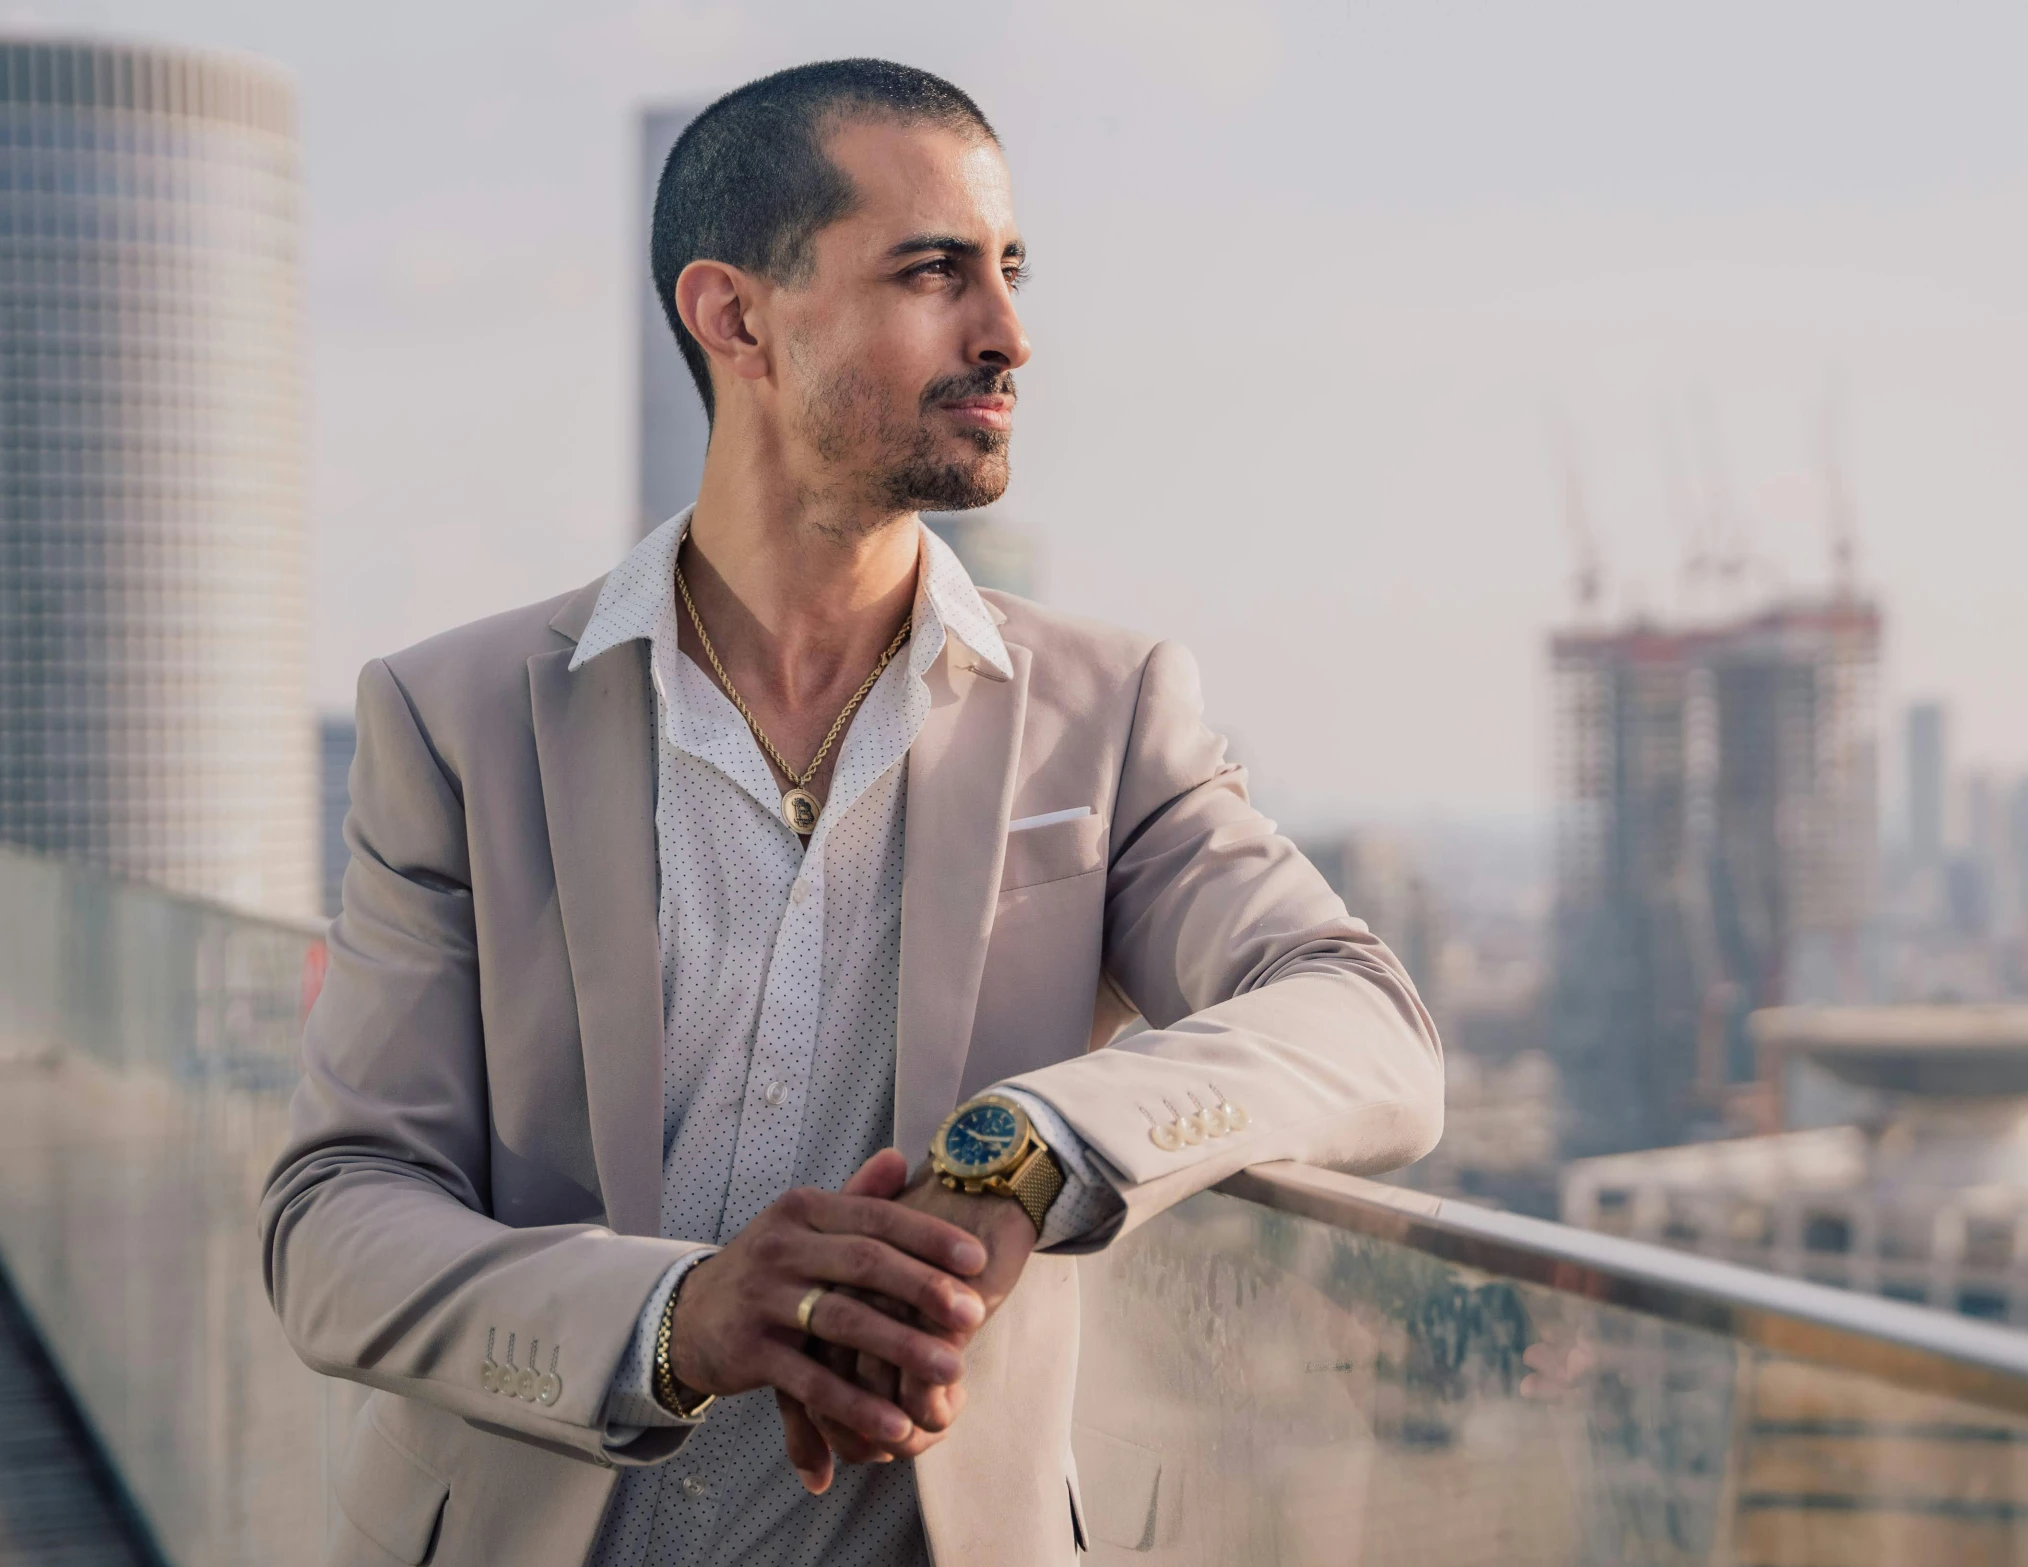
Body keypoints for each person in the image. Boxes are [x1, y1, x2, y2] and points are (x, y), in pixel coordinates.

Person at [260, 57, 1442, 1567]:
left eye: (1009, 271)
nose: (1008, 333)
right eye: (934, 272)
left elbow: (1368, 1026)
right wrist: (676, 1317)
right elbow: (336, 1219)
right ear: (736, 314)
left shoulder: (1111, 708)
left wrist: (1034, 1147)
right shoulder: (458, 714)